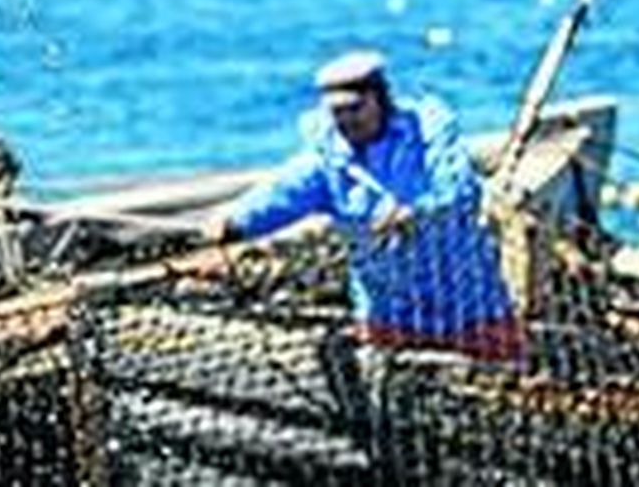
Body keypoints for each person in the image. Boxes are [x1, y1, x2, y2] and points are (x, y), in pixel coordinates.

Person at [209, 50, 521, 361]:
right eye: (338, 112)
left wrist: (417, 208)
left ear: (380, 99)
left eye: (355, 108)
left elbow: (456, 183)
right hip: (391, 322)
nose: (347, 120)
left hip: (471, 310)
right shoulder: (328, 160)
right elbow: (284, 193)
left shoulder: (428, 134)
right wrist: (235, 221)